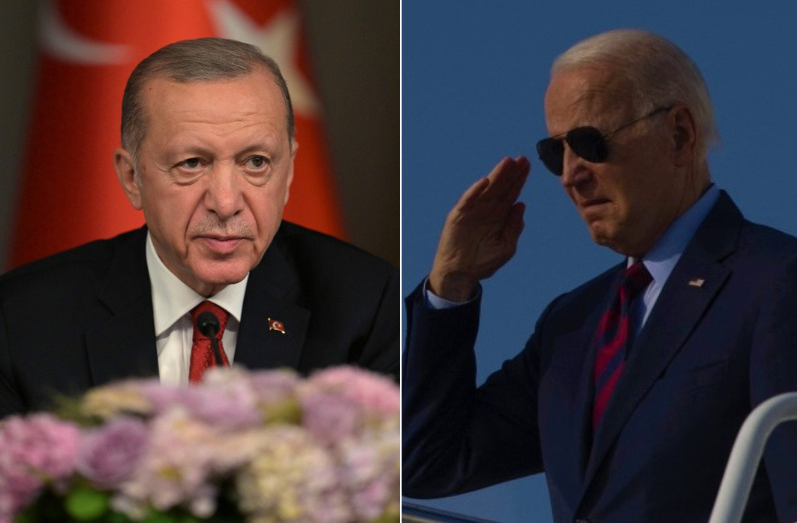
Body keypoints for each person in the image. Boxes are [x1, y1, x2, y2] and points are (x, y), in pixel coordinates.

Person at [402, 29, 797, 522]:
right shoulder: (571, 324)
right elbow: (426, 464)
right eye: (555, 152)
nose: (570, 174)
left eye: (590, 143)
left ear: (679, 134)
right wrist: (451, 286)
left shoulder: (776, 280)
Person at [0, 37, 398, 417]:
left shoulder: (368, 306)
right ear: (132, 177)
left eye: (256, 162)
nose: (226, 203)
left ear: (289, 170)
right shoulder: (22, 321)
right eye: (191, 163)